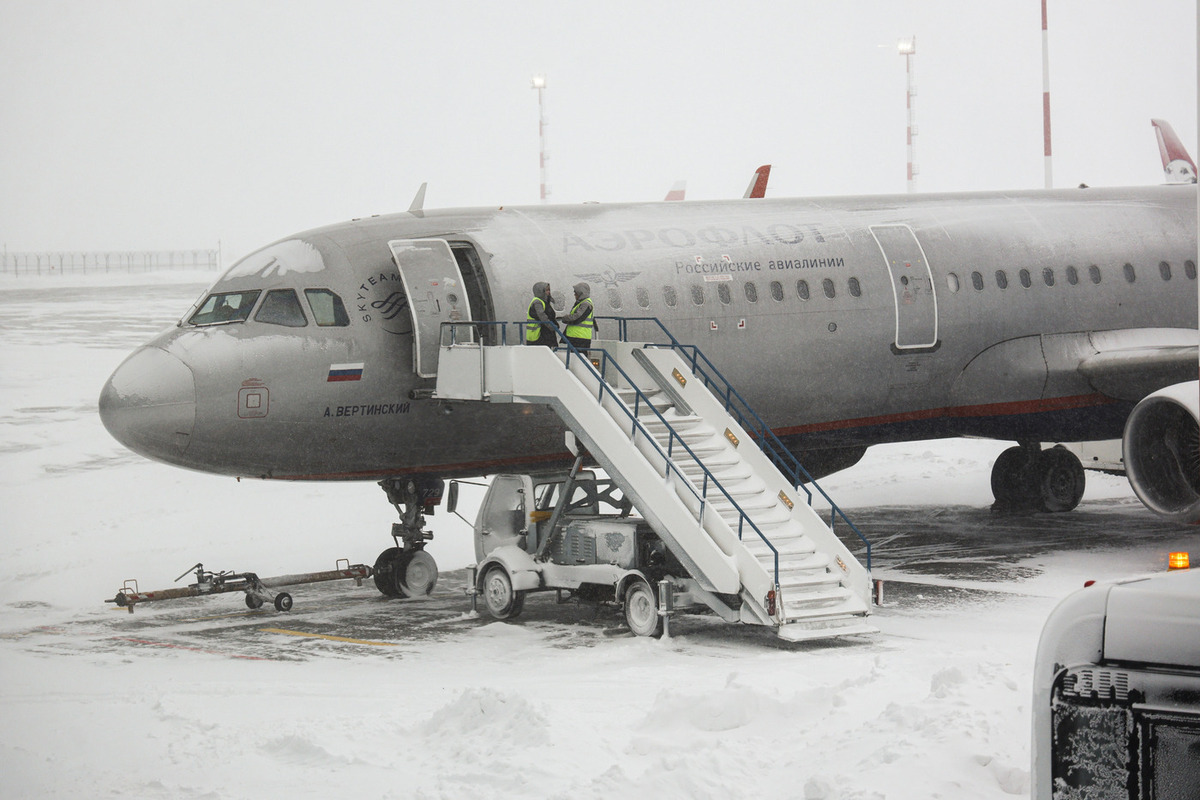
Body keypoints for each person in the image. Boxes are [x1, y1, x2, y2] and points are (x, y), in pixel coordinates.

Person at [559, 282, 595, 351]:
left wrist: (565, 318)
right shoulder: (581, 303)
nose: (574, 294)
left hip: (580, 338)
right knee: (574, 359)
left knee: (578, 359)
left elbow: (577, 317)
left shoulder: (586, 304)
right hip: (576, 337)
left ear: (581, 293)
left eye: (576, 293)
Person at [525, 282, 559, 347]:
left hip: (545, 334)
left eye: (549, 290)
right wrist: (552, 327)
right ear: (540, 291)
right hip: (538, 335)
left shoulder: (544, 301)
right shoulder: (537, 302)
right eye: (546, 290)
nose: (548, 292)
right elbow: (542, 317)